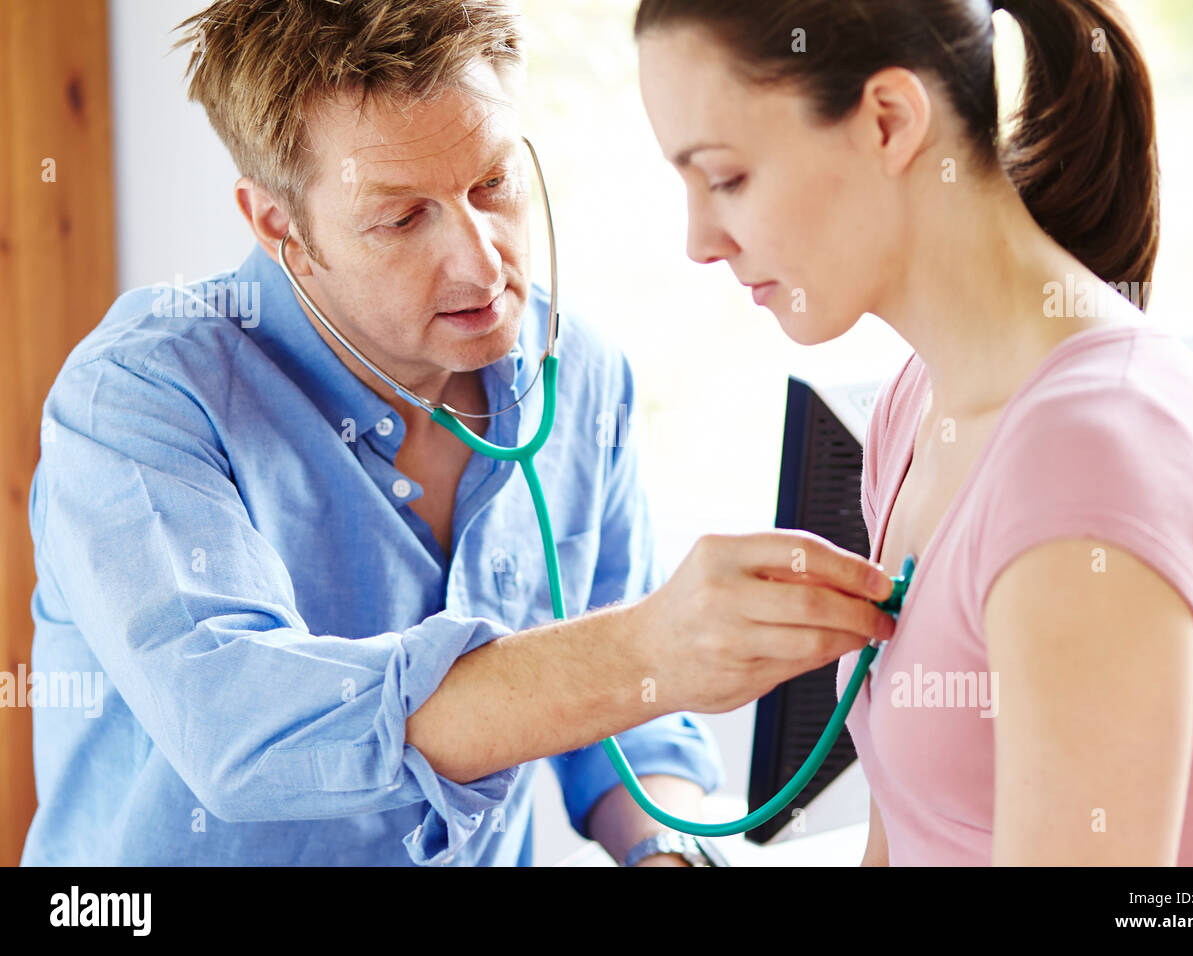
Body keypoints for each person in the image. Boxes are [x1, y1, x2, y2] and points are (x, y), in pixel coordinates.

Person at [21, 0, 898, 867]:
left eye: (493, 184)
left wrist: (668, 851)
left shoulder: (579, 373)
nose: (483, 262)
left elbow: (624, 720)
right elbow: (244, 738)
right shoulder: (137, 399)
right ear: (278, 224)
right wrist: (647, 648)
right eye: (402, 219)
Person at [635, 0, 1193, 865]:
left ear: (888, 121)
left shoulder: (1093, 460)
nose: (699, 242)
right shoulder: (918, 403)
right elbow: (901, 838)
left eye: (725, 178)